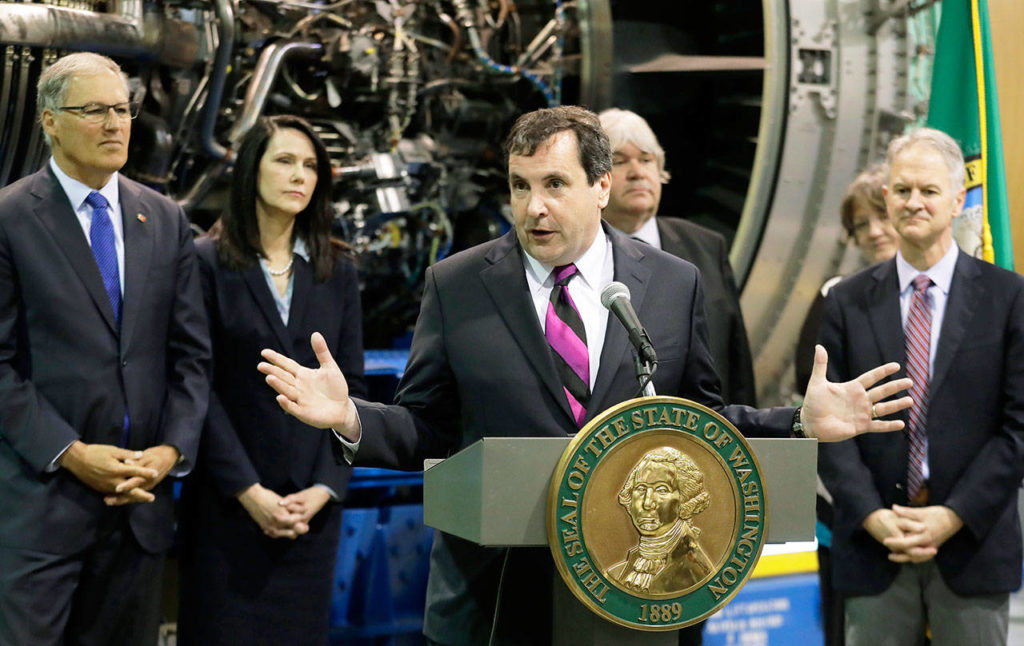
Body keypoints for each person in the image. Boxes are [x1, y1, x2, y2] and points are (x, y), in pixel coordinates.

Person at [258, 106, 912, 646]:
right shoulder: (458, 284)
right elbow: (427, 426)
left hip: (637, 600)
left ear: (600, 186)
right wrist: (350, 418)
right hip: (497, 598)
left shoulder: (670, 284)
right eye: (519, 186)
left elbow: (696, 426)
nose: (533, 207)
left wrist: (798, 422)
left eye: (554, 185)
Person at [0, 52, 210, 645]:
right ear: (49, 121)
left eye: (121, 109)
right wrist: (69, 452)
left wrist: (171, 449)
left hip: (140, 510)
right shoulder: (11, 219)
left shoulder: (164, 219)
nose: (115, 124)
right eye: (94, 110)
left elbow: (192, 357)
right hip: (41, 513)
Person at [817, 128, 1024, 646]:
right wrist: (873, 517)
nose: (914, 202)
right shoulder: (846, 301)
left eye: (929, 191)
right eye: (903, 190)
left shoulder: (1008, 298)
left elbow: (1018, 429)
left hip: (972, 545)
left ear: (958, 200)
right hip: (874, 550)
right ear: (886, 197)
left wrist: (952, 516)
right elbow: (827, 427)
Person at [176, 115, 367, 646]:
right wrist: (248, 490)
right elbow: (198, 386)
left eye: (310, 165)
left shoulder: (337, 269)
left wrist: (327, 487)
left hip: (310, 513)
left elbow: (351, 388)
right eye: (284, 161)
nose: (299, 175)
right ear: (249, 171)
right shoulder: (204, 263)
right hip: (227, 507)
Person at [794, 163, 899, 646]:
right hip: (848, 508)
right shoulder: (836, 298)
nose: (874, 232)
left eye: (882, 216)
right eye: (861, 224)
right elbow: (810, 391)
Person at [599, 108, 757, 405]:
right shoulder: (579, 258)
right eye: (619, 162)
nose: (637, 172)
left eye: (646, 160)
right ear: (597, 180)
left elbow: (737, 366)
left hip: (701, 431)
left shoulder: (707, 246)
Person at [606, 447, 715, 594]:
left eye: (661, 490)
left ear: (684, 500)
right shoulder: (615, 575)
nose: (647, 502)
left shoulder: (698, 575)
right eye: (641, 489)